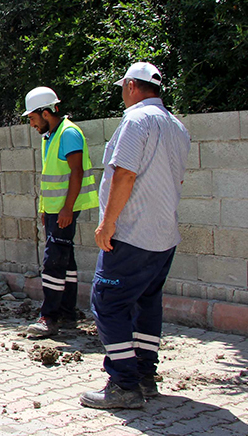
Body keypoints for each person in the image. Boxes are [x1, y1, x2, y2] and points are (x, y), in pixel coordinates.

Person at [80, 62, 191, 409]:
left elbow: (125, 174)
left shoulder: (136, 121)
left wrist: (107, 223)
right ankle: (144, 376)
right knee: (147, 304)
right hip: (164, 236)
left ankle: (124, 385)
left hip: (131, 234)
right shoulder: (177, 127)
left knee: (107, 304)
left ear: (130, 86)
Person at [21, 87, 99, 337]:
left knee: (53, 261)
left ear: (46, 113)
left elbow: (76, 172)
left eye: (32, 118)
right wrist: (46, 209)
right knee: (65, 259)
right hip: (55, 211)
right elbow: (51, 178)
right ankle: (67, 312)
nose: (32, 124)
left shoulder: (68, 134)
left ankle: (49, 317)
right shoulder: (51, 136)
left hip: (65, 210)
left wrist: (66, 208)